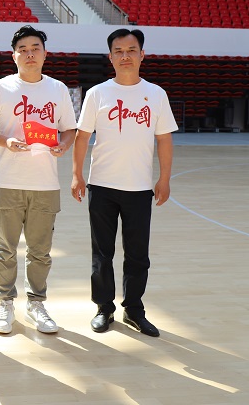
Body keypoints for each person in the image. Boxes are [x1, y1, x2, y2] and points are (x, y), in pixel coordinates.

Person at [71, 28, 177, 338]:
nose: (125, 56)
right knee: (101, 253)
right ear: (110, 57)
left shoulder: (156, 94)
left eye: (131, 50)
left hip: (139, 188)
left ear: (142, 55)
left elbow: (164, 139)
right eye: (119, 51)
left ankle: (134, 309)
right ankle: (104, 308)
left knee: (138, 255)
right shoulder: (97, 93)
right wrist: (77, 174)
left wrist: (164, 178)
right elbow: (81, 137)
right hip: (102, 185)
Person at [0, 26, 77, 335]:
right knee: (5, 249)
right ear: (14, 55)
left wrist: (64, 145)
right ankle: (6, 302)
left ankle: (36, 303)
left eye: (35, 48)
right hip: (7, 180)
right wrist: (6, 141)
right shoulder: (0, 88)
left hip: (45, 183)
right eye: (23, 49)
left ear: (45, 54)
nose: (29, 53)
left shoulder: (58, 89)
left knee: (40, 251)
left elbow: (69, 129)